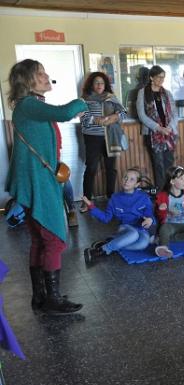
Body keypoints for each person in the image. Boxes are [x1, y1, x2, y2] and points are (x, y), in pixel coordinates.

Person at [7, 59, 88, 315]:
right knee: (54, 240)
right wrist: (85, 99)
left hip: (35, 180)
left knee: (39, 241)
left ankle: (40, 296)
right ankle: (51, 299)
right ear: (26, 81)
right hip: (39, 182)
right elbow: (66, 112)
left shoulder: (29, 107)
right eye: (39, 73)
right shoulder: (29, 105)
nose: (46, 76)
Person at [82, 168, 155, 266]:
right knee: (133, 234)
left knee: (143, 244)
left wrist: (150, 219)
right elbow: (105, 218)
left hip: (140, 229)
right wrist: (91, 206)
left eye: (131, 179)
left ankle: (112, 243)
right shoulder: (115, 198)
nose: (126, 181)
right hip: (125, 228)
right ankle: (101, 250)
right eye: (125, 177)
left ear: (137, 184)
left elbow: (149, 214)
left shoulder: (144, 197)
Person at [79, 71, 127, 211]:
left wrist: (114, 117)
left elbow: (124, 112)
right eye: (96, 82)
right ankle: (86, 201)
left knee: (110, 169)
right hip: (92, 138)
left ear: (105, 84)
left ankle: (111, 198)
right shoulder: (84, 99)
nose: (99, 85)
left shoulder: (111, 97)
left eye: (102, 82)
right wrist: (96, 120)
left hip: (110, 137)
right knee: (91, 168)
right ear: (91, 84)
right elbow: (83, 119)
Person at [137, 65, 178, 190]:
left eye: (163, 77)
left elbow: (175, 114)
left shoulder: (167, 93)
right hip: (153, 134)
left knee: (169, 163)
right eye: (159, 77)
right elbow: (141, 115)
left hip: (169, 134)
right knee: (158, 164)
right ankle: (161, 193)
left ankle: (171, 190)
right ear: (151, 77)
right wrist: (159, 128)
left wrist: (170, 127)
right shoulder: (143, 92)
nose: (161, 80)